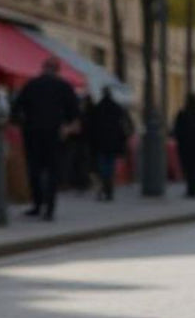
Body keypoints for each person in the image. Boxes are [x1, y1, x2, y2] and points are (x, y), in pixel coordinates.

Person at [12, 57, 81, 220]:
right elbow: (75, 114)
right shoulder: (64, 86)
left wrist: (23, 123)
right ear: (57, 70)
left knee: (34, 170)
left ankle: (37, 204)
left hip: (32, 133)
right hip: (54, 134)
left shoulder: (31, 85)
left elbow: (16, 109)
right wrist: (67, 128)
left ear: (43, 68)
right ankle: (49, 209)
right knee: (52, 171)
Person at [87, 87, 130, 201]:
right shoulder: (117, 108)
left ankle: (105, 187)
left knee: (102, 166)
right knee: (110, 166)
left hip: (100, 143)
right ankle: (109, 188)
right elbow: (123, 127)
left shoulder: (98, 108)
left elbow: (92, 128)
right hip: (113, 143)